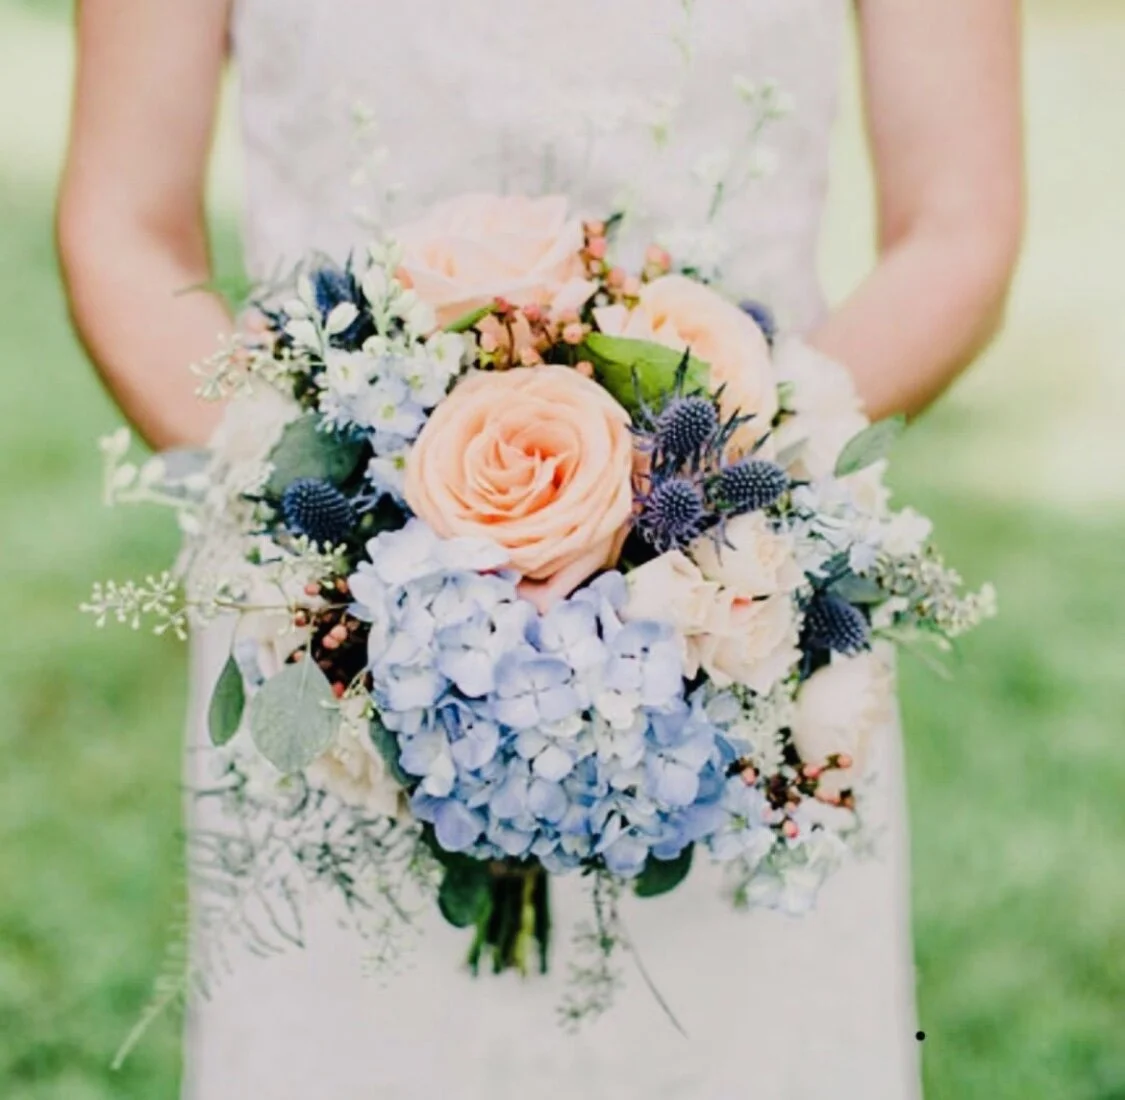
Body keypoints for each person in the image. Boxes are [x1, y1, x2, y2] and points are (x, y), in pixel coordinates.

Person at [57, 2, 1023, 1097]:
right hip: (339, 643)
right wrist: (326, 533)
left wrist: (714, 499)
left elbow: (958, 223)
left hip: (735, 626)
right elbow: (123, 220)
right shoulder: (332, 595)